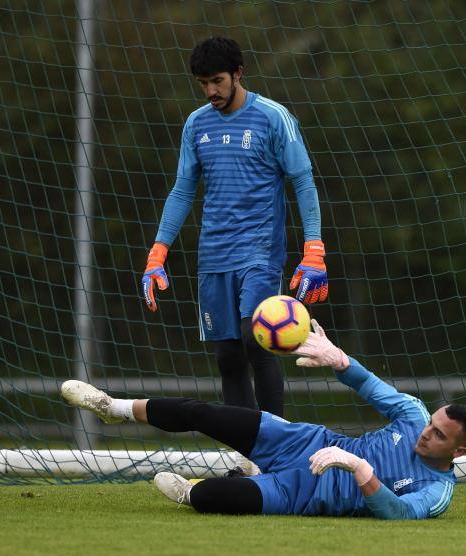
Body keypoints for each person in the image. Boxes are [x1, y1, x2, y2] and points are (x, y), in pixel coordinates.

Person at [61, 320, 466, 519]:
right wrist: (340, 361)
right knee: (202, 413)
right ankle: (112, 407)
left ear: (459, 450)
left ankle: (197, 490)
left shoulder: (437, 490)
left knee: (211, 500)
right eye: (430, 424)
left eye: (438, 435)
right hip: (300, 442)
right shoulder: (412, 415)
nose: (426, 433)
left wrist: (358, 468)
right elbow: (372, 386)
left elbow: (399, 515)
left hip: (301, 495)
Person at [140, 37, 328, 417]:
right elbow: (182, 190)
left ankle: (276, 449)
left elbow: (304, 181)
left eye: (218, 81)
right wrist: (157, 252)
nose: (211, 91)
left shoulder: (274, 118)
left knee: (255, 340)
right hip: (213, 255)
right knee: (227, 356)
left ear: (238, 74)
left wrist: (314, 251)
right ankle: (248, 458)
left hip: (260, 251)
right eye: (203, 84)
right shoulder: (196, 124)